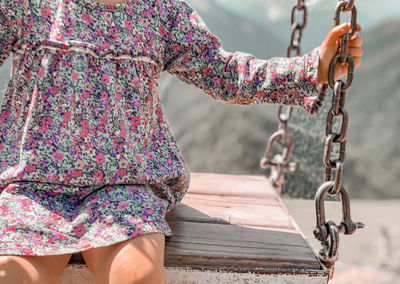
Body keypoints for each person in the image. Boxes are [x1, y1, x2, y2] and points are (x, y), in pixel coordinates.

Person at [0, 0, 362, 283]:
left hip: (125, 185)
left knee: (137, 274)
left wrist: (313, 68)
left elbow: (226, 74)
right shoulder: (27, 6)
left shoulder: (159, 14)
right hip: (34, 185)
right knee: (13, 276)